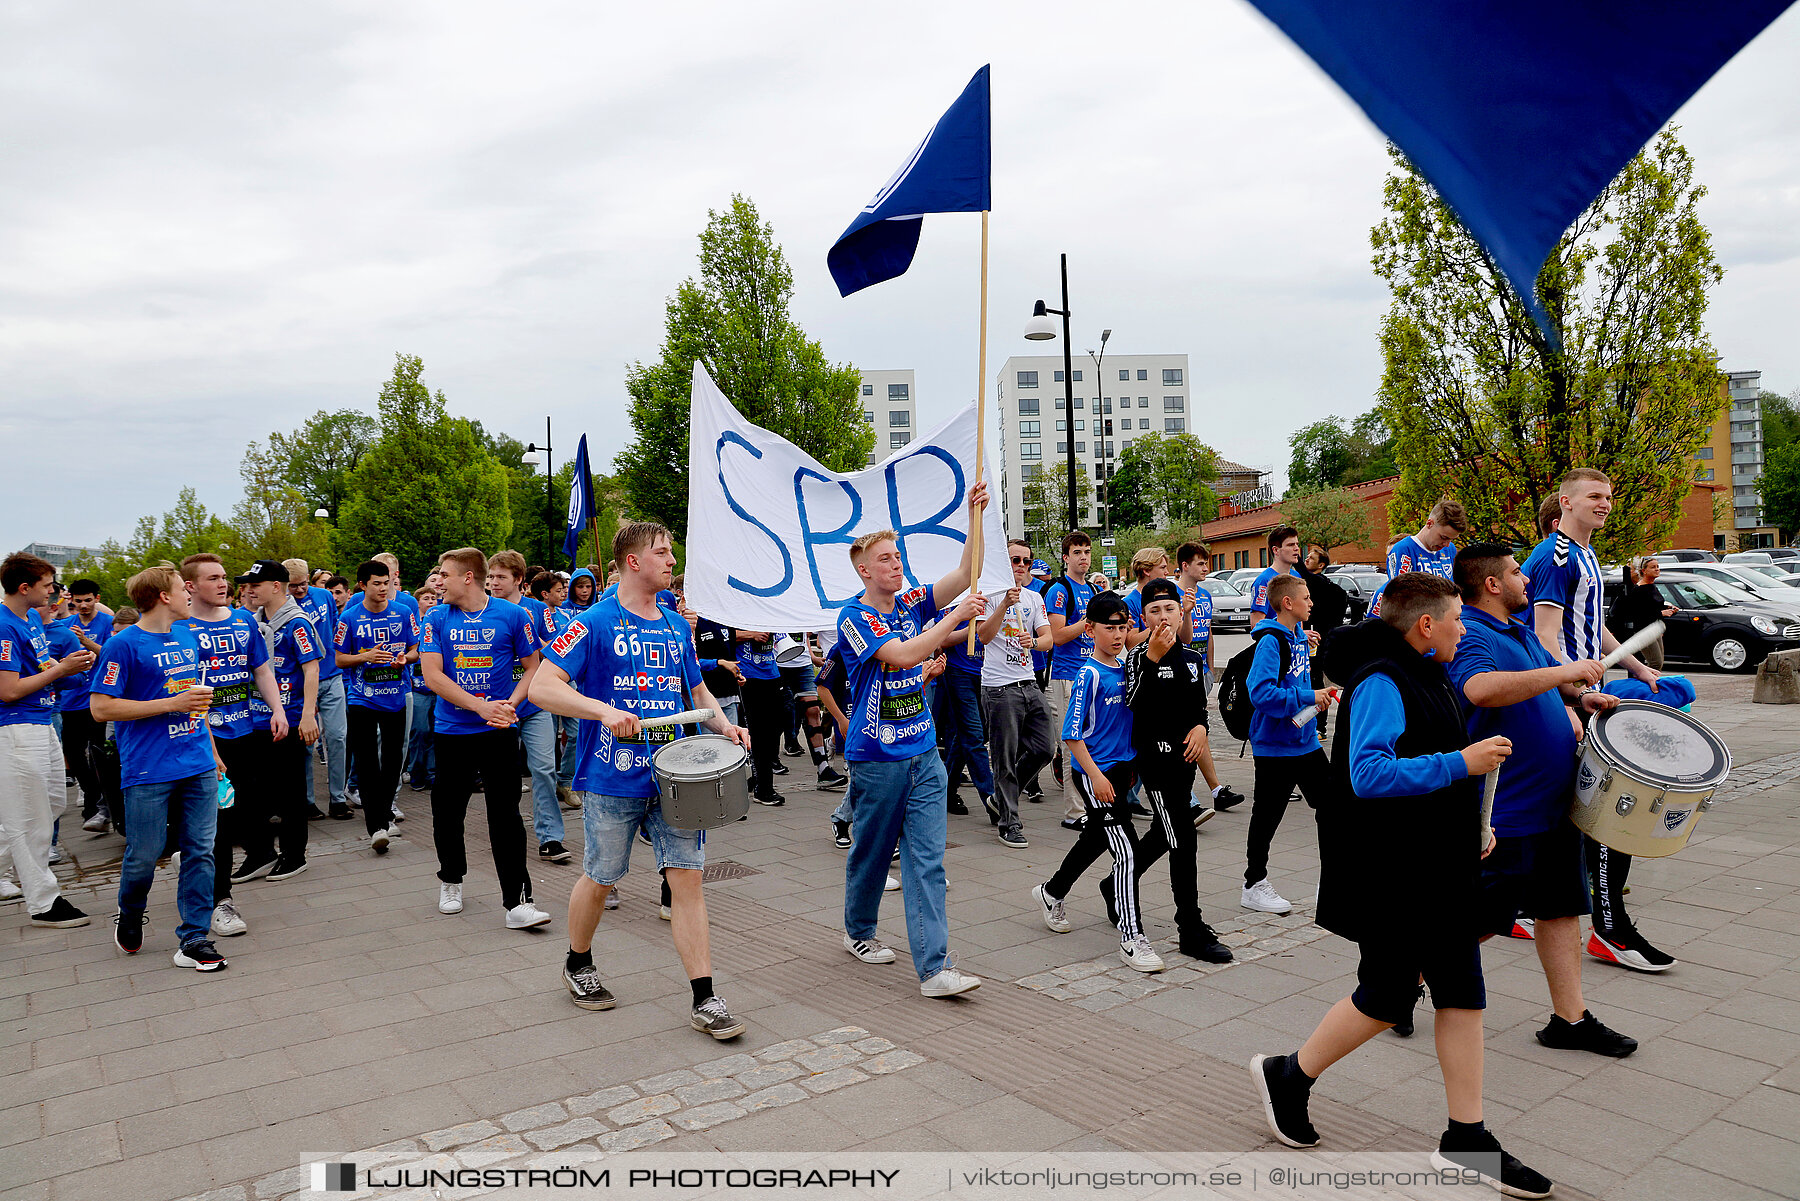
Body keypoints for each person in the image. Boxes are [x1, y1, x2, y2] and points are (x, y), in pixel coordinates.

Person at [1254, 572, 1552, 1199]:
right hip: (1394, 874)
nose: (1463, 628)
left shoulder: (1425, 668)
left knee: (1463, 994)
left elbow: (1430, 759)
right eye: (1456, 620)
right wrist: (1461, 764)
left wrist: (1472, 823)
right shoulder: (1384, 680)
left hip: (1439, 866)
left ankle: (1467, 1137)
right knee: (1386, 998)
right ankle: (1289, 1075)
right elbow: (1370, 774)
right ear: (1425, 624)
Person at [531, 521, 751, 1039]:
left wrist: (723, 724)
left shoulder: (676, 624)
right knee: (602, 875)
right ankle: (577, 962)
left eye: (671, 552)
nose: (672, 561)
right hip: (612, 775)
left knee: (687, 877)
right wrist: (603, 711)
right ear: (633, 561)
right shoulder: (592, 622)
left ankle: (705, 997)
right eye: (663, 552)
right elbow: (543, 687)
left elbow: (695, 691)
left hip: (676, 776)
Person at [1448, 544, 1639, 1058]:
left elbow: (1539, 690)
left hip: (1555, 805)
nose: (1524, 579)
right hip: (1509, 810)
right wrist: (1564, 673)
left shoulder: (1521, 629)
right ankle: (1398, 985)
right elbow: (1481, 689)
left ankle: (1569, 1020)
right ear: (1491, 584)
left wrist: (1579, 697)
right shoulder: (1470, 632)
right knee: (1482, 921)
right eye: (1514, 572)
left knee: (1560, 910)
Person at [836, 486, 991, 998]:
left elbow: (966, 573)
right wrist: (954, 618)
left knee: (927, 859)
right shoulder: (853, 617)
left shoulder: (910, 600)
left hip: (923, 751)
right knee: (873, 853)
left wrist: (976, 516)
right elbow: (902, 655)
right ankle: (858, 930)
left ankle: (934, 968)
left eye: (898, 556)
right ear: (864, 570)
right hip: (876, 756)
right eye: (885, 559)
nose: (895, 564)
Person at [1521, 468, 1673, 973]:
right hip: (1565, 701)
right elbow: (1543, 638)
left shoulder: (1585, 554)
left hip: (1588, 696)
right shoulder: (1554, 556)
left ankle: (1528, 904)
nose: (1605, 503)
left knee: (1579, 811)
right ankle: (1609, 930)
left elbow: (1592, 625)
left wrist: (1633, 664)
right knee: (1608, 811)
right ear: (1565, 502)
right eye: (1594, 496)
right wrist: (1575, 695)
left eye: (1609, 496)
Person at [90, 566, 230, 970]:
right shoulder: (123, 644)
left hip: (198, 763)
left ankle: (194, 939)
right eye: (181, 588)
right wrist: (170, 705)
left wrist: (212, 750)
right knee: (144, 855)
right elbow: (101, 708)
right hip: (149, 770)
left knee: (200, 851)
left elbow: (194, 700)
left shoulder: (188, 636)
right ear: (163, 597)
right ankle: (130, 914)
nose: (190, 593)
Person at [1030, 592, 1165, 974]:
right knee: (1126, 853)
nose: (1118, 635)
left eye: (1123, 627)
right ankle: (1132, 937)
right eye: (1110, 628)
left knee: (1094, 838)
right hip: (1095, 772)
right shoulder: (1087, 675)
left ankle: (1051, 891)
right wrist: (1096, 776)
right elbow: (1072, 736)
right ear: (1090, 630)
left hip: (1121, 772)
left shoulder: (1127, 668)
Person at [420, 547, 551, 930]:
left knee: (506, 814)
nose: (438, 581)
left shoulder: (513, 615)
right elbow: (433, 675)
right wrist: (479, 707)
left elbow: (533, 668)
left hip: (498, 732)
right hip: (452, 731)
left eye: (445, 575)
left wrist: (509, 704)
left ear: (467, 577)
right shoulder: (436, 616)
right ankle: (451, 879)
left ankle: (518, 902)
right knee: (447, 809)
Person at [1119, 578, 1232, 963]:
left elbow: (1198, 707)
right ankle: (1190, 928)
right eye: (1154, 610)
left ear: (1181, 612)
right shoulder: (1137, 656)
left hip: (1184, 761)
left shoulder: (1191, 659)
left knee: (1162, 832)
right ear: (1144, 616)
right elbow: (1133, 703)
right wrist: (1151, 657)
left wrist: (1201, 727)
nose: (1163, 616)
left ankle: (1115, 882)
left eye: (1169, 609)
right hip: (1154, 762)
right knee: (1183, 839)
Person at [181, 554, 290, 937]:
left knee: (243, 811)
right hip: (203, 740)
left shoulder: (244, 621)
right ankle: (220, 901)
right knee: (218, 823)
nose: (223, 584)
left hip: (245, 732)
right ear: (190, 586)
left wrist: (277, 709)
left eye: (224, 577)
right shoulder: (181, 628)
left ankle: (223, 873)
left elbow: (262, 669)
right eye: (213, 578)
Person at [0, 552, 93, 928]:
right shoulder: (5, 626)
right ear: (25, 588)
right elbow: (7, 690)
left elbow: (40, 671)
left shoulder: (32, 620)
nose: (54, 593)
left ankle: (16, 873)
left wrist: (68, 671)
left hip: (41, 724)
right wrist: (64, 668)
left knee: (51, 804)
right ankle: (43, 902)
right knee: (31, 817)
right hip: (18, 728)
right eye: (47, 586)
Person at [1242, 574, 1333, 916]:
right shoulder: (1271, 642)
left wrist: (1313, 704)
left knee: (1332, 805)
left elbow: (1294, 687)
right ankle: (1253, 884)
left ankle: (1334, 876)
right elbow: (1261, 693)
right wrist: (1310, 696)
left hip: (1305, 741)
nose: (1312, 603)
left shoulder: (1297, 637)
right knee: (1267, 817)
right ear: (1287, 603)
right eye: (1306, 598)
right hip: (1275, 747)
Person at [235, 560, 322, 882]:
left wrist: (308, 715)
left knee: (290, 792)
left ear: (276, 586)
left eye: (255, 584)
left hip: (289, 717)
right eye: (247, 585)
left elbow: (311, 668)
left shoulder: (296, 622)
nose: (249, 590)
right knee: (252, 793)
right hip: (255, 720)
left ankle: (294, 854)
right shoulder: (253, 622)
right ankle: (260, 853)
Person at [485, 550, 570, 864]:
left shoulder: (537, 609)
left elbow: (557, 647)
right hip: (498, 707)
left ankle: (550, 837)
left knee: (544, 769)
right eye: (490, 577)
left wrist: (536, 649)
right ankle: (507, 831)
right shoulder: (482, 610)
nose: (493, 583)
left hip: (534, 704)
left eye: (500, 577)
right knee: (502, 775)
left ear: (519, 580)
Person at [336, 559, 418, 853]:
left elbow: (415, 648)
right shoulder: (350, 617)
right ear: (362, 585)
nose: (384, 589)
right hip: (362, 697)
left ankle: (384, 813)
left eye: (388, 583)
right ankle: (378, 826)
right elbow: (339, 658)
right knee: (368, 762)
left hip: (396, 696)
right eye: (377, 584)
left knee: (394, 761)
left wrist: (405, 659)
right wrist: (366, 656)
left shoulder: (404, 612)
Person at [976, 539, 1054, 850]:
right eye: (1015, 561)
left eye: (1025, 561)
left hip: (1028, 682)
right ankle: (1009, 822)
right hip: (999, 687)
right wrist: (1005, 606)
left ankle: (1000, 798)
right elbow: (982, 636)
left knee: (1045, 748)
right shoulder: (989, 595)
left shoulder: (1035, 598)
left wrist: (1033, 642)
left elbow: (1048, 638)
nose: (1021, 567)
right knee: (1004, 758)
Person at [1173, 542, 1244, 814]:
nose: (1206, 568)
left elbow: (1209, 632)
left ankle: (1214, 790)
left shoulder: (1205, 595)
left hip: (1200, 670)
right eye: (1200, 563)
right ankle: (1186, 794)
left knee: (1198, 730)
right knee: (1183, 731)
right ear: (1185, 566)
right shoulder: (1173, 595)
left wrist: (1210, 667)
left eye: (1207, 563)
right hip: (1179, 672)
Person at [285, 559, 350, 821]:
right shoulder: (283, 605)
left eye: (302, 584)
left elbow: (335, 629)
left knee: (337, 737)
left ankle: (338, 798)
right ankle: (307, 800)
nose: (299, 590)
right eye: (293, 586)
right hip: (301, 683)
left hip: (331, 676)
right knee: (305, 743)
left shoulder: (324, 596)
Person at [1045, 532, 1097, 829]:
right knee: (1072, 744)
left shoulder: (1091, 587)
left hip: (1090, 672)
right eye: (1077, 552)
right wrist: (1086, 621)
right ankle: (1074, 812)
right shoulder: (1060, 590)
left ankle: (1088, 803)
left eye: (1087, 552)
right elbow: (1056, 636)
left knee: (1090, 742)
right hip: (1066, 675)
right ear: (1066, 557)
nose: (1083, 557)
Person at [63, 579, 113, 831]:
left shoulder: (106, 623)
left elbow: (113, 655)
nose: (83, 605)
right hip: (70, 701)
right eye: (78, 600)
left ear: (97, 598)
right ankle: (91, 797)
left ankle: (98, 809)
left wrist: (86, 642)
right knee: (73, 757)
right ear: (71, 599)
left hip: (95, 699)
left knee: (97, 755)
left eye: (88, 600)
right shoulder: (65, 626)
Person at [527, 572, 579, 808]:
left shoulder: (566, 614)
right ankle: (545, 786)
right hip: (545, 681)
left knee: (577, 731)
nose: (563, 594)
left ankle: (565, 781)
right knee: (546, 740)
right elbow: (539, 644)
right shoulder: (535, 610)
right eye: (559, 591)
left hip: (569, 680)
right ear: (545, 594)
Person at [734, 629, 786, 806]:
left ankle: (758, 780)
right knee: (758, 734)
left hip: (772, 674)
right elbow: (722, 635)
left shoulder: (766, 606)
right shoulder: (735, 606)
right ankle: (764, 789)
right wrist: (751, 635)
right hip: (748, 676)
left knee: (775, 730)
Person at [1606, 557, 1678, 671]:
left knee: (1658, 663)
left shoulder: (1652, 586)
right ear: (1644, 571)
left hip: (1655, 628)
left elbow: (1653, 606)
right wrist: (1661, 613)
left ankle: (1649, 684)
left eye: (1658, 567)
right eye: (1653, 567)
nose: (1657, 569)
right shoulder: (1639, 589)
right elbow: (1638, 613)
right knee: (1655, 663)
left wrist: (1669, 608)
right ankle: (1642, 685)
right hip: (1644, 630)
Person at [405, 587, 439, 793]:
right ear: (417, 602)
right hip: (417, 688)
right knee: (419, 730)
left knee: (436, 732)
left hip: (437, 689)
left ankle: (433, 773)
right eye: (426, 598)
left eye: (434, 598)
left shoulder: (438, 623)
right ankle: (416, 772)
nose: (431, 601)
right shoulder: (413, 627)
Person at [1387, 498, 1467, 580]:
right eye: (1443, 537)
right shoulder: (1404, 550)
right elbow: (1399, 590)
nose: (1446, 544)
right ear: (1430, 523)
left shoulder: (1450, 550)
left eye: (1451, 539)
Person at [1249, 526, 1304, 619]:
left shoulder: (1296, 576)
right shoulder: (1264, 581)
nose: (1296, 548)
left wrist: (1300, 633)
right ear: (1276, 550)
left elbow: (1297, 617)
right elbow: (1256, 624)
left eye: (1297, 544)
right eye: (1290, 545)